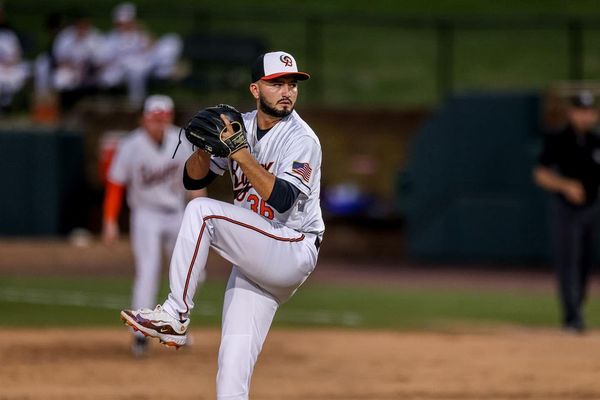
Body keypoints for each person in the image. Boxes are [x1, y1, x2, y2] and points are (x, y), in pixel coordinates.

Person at [120, 51, 324, 398]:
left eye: (292, 84)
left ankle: (175, 314)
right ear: (255, 89)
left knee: (203, 212)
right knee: (232, 367)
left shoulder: (301, 138)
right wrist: (201, 149)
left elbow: (284, 199)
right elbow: (191, 178)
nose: (287, 91)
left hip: (292, 246)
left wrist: (240, 154)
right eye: (277, 84)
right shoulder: (238, 125)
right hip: (255, 258)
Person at [103, 94, 206, 356]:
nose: (158, 124)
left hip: (176, 213)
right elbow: (116, 184)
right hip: (146, 214)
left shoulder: (181, 140)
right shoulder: (130, 145)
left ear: (169, 118)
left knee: (192, 273)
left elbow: (196, 175)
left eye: (163, 119)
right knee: (148, 273)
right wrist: (110, 220)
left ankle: (177, 326)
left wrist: (200, 207)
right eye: (154, 119)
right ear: (144, 119)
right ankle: (139, 336)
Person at [534, 89, 600, 333]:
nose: (585, 116)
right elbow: (540, 175)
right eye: (581, 111)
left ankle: (577, 312)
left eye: (590, 111)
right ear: (571, 113)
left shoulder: (596, 141)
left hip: (591, 208)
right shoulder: (559, 139)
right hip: (566, 210)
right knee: (568, 263)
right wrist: (566, 186)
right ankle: (572, 317)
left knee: (584, 264)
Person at [96, 2, 183, 106]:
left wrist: (143, 32)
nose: (125, 25)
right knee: (135, 69)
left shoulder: (139, 33)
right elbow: (104, 59)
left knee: (172, 39)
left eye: (128, 22)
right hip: (123, 69)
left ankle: (167, 68)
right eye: (122, 22)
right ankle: (136, 103)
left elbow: (153, 47)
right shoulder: (112, 38)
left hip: (147, 63)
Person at [0, 5, 29, 112]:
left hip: (11, 65)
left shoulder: (9, 34)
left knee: (19, 73)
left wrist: (11, 62)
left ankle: (7, 105)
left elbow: (17, 53)